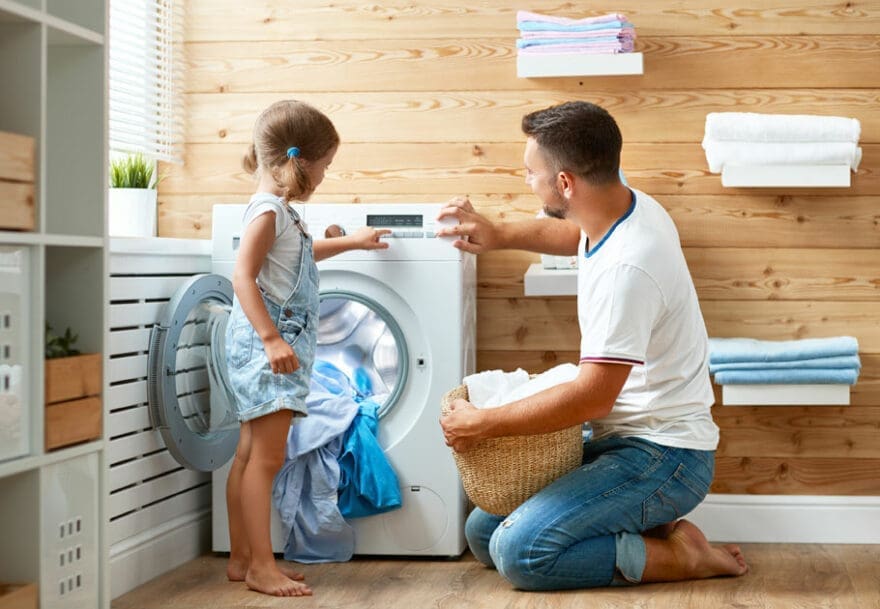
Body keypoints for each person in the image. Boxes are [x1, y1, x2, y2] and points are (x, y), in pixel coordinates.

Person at [437, 101, 748, 591]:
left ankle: (682, 556)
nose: (527, 183)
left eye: (531, 174)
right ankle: (642, 528)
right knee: (483, 529)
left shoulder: (629, 268)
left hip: (665, 455)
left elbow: (593, 397)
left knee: (520, 553)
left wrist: (485, 423)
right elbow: (571, 232)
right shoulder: (622, 205)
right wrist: (498, 235)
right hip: (619, 438)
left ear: (565, 183)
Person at [224, 100, 390, 596]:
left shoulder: (278, 212)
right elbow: (243, 275)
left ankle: (241, 559)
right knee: (266, 460)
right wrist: (272, 339)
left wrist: (352, 243)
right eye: (326, 165)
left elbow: (295, 257)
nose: (325, 174)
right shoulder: (270, 211)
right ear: (300, 160)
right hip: (268, 349)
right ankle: (260, 568)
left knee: (248, 455)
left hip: (258, 348)